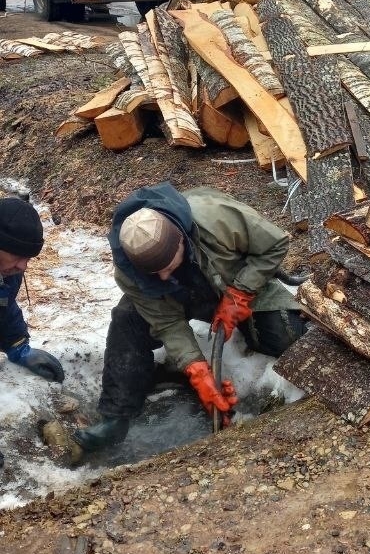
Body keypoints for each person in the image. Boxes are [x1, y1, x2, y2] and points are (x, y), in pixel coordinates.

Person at [74, 183, 305, 453]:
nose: (162, 277)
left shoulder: (215, 217)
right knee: (126, 318)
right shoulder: (128, 270)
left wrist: (240, 292)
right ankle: (116, 416)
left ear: (181, 240)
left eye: (168, 266)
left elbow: (275, 244)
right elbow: (168, 322)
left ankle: (253, 346)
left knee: (286, 337)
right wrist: (197, 371)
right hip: (177, 300)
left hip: (238, 280)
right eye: (153, 274)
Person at [1, 197, 64, 467]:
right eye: (18, 257)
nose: (24, 266)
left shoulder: (7, 268)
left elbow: (3, 305)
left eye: (28, 258)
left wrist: (17, 345)